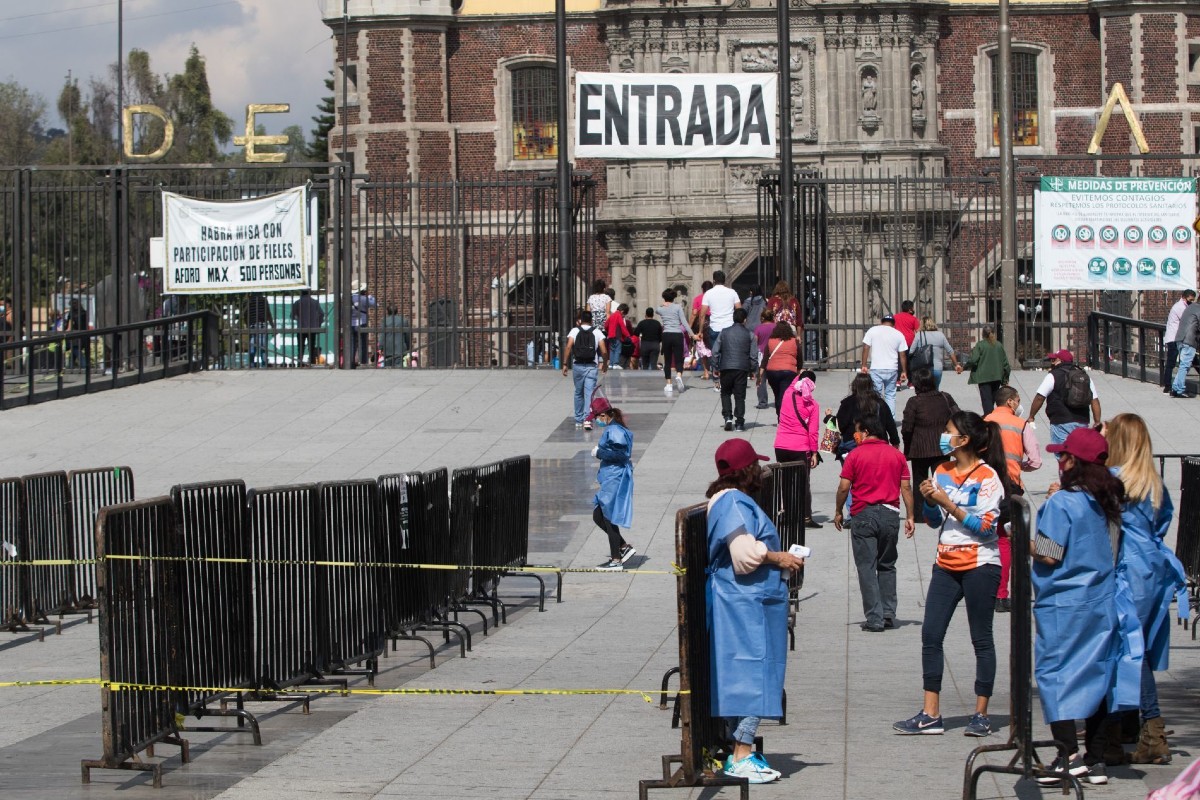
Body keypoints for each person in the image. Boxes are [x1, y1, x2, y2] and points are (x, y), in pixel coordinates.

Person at [1033, 427, 1139, 788]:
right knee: (1098, 676)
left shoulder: (1062, 503)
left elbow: (1048, 555)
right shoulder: (1106, 500)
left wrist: (1022, 539)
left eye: (1062, 456)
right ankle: (1094, 759)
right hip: (1102, 600)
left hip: (1064, 603)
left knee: (1055, 675)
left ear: (1072, 461)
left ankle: (1066, 755)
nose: (1058, 461)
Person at [894, 411, 1007, 737]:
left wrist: (948, 502)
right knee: (931, 634)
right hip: (946, 563)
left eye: (948, 431)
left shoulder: (988, 478)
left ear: (965, 439)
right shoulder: (942, 470)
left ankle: (981, 713)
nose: (944, 436)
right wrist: (929, 500)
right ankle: (931, 713)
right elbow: (933, 519)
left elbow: (986, 528)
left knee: (981, 638)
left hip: (981, 564)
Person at [705, 438, 805, 784]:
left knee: (750, 675)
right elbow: (744, 555)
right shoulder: (733, 503)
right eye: (757, 466)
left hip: (747, 602)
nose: (761, 471)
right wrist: (779, 557)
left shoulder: (730, 501)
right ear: (747, 471)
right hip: (744, 605)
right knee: (753, 676)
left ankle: (741, 749)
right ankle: (741, 753)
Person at [1105, 413, 1187, 765]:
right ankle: (1130, 724)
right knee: (1143, 647)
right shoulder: (1152, 482)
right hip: (1154, 568)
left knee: (1129, 648)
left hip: (1128, 570)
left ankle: (1151, 729)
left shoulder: (1113, 480)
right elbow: (1165, 520)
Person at [835, 414, 916, 632]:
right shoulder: (896, 455)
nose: (855, 435)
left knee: (866, 567)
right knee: (887, 564)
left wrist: (838, 511)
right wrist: (910, 515)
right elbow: (906, 488)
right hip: (890, 514)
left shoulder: (855, 455)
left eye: (858, 431)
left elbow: (844, 487)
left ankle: (875, 618)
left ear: (867, 432)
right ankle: (888, 613)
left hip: (863, 515)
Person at [984, 386, 1041, 612]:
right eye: (1017, 400)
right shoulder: (1020, 425)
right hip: (1011, 487)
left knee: (987, 537)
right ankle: (1002, 595)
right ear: (1010, 402)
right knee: (1006, 540)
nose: (1019, 404)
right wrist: (1020, 467)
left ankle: (986, 591)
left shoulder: (984, 421)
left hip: (986, 484)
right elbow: (1036, 461)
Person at [587, 397, 636, 571]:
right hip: (610, 477)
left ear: (603, 415)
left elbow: (621, 455)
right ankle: (623, 547)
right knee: (599, 516)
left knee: (608, 517)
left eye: (597, 418)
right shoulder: (614, 427)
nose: (596, 421)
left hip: (614, 478)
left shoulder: (615, 430)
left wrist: (599, 452)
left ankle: (616, 560)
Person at [774, 370, 822, 529]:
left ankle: (787, 514)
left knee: (785, 482)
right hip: (800, 448)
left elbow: (794, 383)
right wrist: (814, 452)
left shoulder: (787, 395)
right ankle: (806, 517)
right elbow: (813, 432)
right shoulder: (813, 405)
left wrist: (800, 374)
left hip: (781, 445)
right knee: (803, 484)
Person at [901, 366, 959, 489]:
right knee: (943, 486)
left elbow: (907, 428)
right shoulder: (945, 398)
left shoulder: (914, 402)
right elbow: (959, 417)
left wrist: (907, 446)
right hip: (942, 448)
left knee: (920, 487)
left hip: (919, 449)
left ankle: (919, 509)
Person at [1027, 349, 1101, 446]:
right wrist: (1097, 422)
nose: (1051, 362)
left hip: (1061, 422)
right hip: (1082, 421)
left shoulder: (1053, 376)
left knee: (1063, 455)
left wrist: (1031, 416)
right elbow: (1094, 400)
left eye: (1053, 360)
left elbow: (1040, 397)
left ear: (1060, 361)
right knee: (1078, 454)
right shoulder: (1084, 376)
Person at [711, 308, 758, 432]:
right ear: (745, 320)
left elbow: (715, 351)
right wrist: (753, 369)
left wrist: (715, 366)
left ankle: (727, 417)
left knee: (725, 392)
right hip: (741, 368)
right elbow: (753, 355)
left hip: (726, 366)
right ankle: (739, 423)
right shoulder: (750, 334)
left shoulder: (724, 332)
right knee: (740, 395)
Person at [561, 308, 608, 431]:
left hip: (578, 365)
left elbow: (568, 347)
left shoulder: (575, 331)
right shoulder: (597, 332)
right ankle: (588, 420)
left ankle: (578, 419)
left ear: (581, 320)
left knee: (578, 392)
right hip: (592, 366)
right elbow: (603, 350)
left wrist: (565, 363)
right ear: (591, 320)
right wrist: (605, 363)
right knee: (589, 393)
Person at [835, 373, 900, 453]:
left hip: (852, 446)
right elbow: (890, 425)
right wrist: (895, 442)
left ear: (854, 385)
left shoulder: (847, 403)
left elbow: (841, 425)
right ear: (871, 386)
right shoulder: (880, 403)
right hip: (878, 446)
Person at [700, 271, 742, 388]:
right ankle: (728, 379)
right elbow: (739, 310)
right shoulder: (732, 292)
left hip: (715, 327)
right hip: (730, 327)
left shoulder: (708, 293)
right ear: (725, 280)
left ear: (714, 280)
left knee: (715, 354)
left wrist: (700, 331)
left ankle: (717, 381)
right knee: (729, 354)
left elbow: (702, 314)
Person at [860, 314, 908, 415]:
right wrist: (904, 371)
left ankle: (876, 417)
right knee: (890, 395)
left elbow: (866, 347)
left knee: (876, 395)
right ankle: (890, 419)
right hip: (892, 368)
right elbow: (902, 354)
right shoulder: (898, 334)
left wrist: (864, 365)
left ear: (882, 322)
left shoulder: (873, 330)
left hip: (876, 368)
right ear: (893, 324)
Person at [759, 321, 802, 417]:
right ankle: (782, 416)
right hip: (788, 371)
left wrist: (760, 373)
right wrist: (799, 370)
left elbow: (765, 358)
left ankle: (779, 414)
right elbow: (799, 357)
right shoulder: (794, 341)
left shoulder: (771, 341)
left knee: (777, 394)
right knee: (784, 395)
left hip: (772, 372)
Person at [963, 326, 1010, 414]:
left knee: (986, 401)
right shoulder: (999, 345)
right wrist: (1005, 379)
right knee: (992, 400)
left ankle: (989, 421)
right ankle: (991, 418)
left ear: (983, 334)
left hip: (983, 378)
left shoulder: (980, 345)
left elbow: (973, 360)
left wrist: (964, 367)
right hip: (997, 377)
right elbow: (1006, 365)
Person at [910, 317, 963, 389]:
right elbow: (950, 351)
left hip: (923, 369)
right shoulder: (940, 335)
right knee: (935, 390)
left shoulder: (919, 335)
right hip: (937, 369)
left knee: (923, 391)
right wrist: (956, 365)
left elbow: (911, 351)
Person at [656, 288, 690, 394]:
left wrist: (663, 304)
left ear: (664, 297)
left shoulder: (660, 309)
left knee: (667, 360)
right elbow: (684, 322)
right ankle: (679, 375)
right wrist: (692, 334)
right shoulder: (678, 307)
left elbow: (656, 309)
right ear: (674, 297)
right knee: (679, 359)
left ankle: (669, 384)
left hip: (666, 335)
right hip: (677, 334)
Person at [1161, 289, 1195, 393]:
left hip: (1177, 337)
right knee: (1172, 362)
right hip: (1174, 338)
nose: (1191, 302)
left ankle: (1171, 384)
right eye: (1190, 300)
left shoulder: (1183, 306)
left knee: (1182, 361)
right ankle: (1168, 385)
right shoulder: (1180, 307)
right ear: (1184, 297)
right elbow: (1188, 320)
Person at [1171, 296, 1200, 398]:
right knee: (1185, 366)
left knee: (1183, 365)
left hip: (1180, 338)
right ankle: (1179, 390)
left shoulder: (1191, 307)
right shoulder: (1198, 309)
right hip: (1189, 340)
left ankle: (1175, 387)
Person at [292, 288, 325, 367]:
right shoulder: (314, 302)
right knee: (311, 346)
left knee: (300, 347)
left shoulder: (297, 302)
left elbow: (292, 315)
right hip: (312, 327)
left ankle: (300, 363)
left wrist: (299, 318)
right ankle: (312, 362)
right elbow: (321, 314)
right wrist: (318, 324)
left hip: (301, 327)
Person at [752, 308, 776, 409]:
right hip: (774, 354)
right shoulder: (776, 327)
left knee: (761, 379)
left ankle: (762, 402)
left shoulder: (758, 328)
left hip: (761, 355)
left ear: (762, 317)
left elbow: (755, 342)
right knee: (776, 380)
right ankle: (779, 398)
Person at [690, 280, 714, 378]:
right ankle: (717, 370)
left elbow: (694, 313)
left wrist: (689, 327)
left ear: (702, 289)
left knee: (702, 347)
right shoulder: (716, 297)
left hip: (702, 324)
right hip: (715, 323)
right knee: (715, 347)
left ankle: (706, 372)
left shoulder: (698, 298)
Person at [246, 292, 276, 369]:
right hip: (262, 325)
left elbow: (245, 314)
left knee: (252, 347)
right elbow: (268, 314)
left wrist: (247, 325)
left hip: (252, 326)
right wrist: (273, 326)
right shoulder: (264, 300)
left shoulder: (249, 301)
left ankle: (251, 365)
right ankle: (264, 364)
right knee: (263, 348)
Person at [350, 281, 377, 368]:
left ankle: (350, 361)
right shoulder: (363, 299)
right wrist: (371, 297)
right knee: (363, 342)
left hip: (351, 323)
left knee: (352, 343)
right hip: (362, 322)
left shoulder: (349, 299)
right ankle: (363, 361)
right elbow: (376, 304)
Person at [634, 307, 662, 371]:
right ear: (653, 315)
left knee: (645, 365)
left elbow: (636, 333)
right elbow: (661, 336)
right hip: (655, 344)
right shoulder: (657, 323)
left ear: (646, 314)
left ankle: (645, 379)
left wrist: (641, 335)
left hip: (645, 344)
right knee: (653, 364)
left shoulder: (642, 323)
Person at [605, 302, 631, 370]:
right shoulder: (618, 315)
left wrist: (608, 331)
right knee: (617, 350)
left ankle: (611, 364)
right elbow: (622, 326)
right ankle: (616, 363)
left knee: (612, 350)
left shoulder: (612, 315)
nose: (624, 316)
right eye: (624, 314)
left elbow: (606, 325)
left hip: (610, 335)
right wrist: (627, 335)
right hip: (617, 335)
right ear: (622, 311)